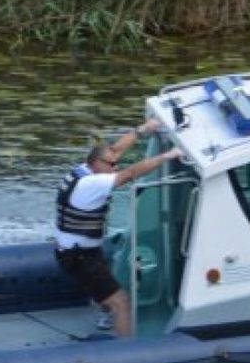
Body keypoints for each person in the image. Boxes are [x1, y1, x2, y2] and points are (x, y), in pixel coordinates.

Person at [54, 118, 182, 337]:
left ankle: (106, 313)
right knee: (121, 302)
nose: (116, 167)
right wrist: (167, 156)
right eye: (111, 165)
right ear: (97, 163)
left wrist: (142, 131)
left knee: (106, 279)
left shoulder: (84, 171)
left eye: (115, 163)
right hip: (80, 257)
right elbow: (130, 174)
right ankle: (126, 351)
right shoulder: (93, 184)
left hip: (78, 250)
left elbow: (114, 150)